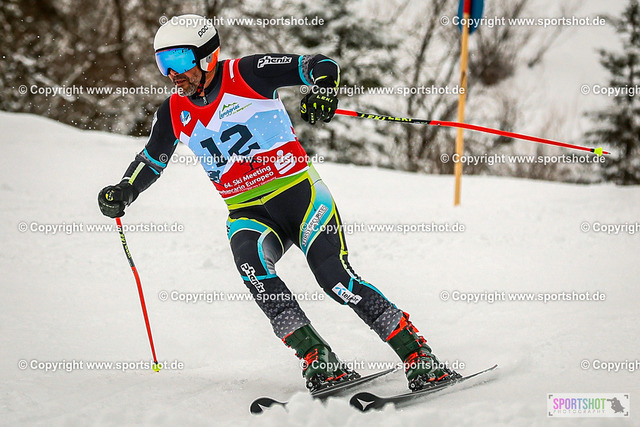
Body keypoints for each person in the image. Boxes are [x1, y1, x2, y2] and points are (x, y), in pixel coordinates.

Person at [98, 14, 458, 392]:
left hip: (300, 198)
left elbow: (320, 64)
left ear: (206, 56)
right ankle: (318, 358)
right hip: (248, 213)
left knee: (336, 280)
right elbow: (151, 160)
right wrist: (125, 189)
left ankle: (418, 355)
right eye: (163, 63)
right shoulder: (173, 112)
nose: (173, 73)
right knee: (256, 274)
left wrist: (323, 89)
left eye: (180, 60)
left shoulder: (247, 74)